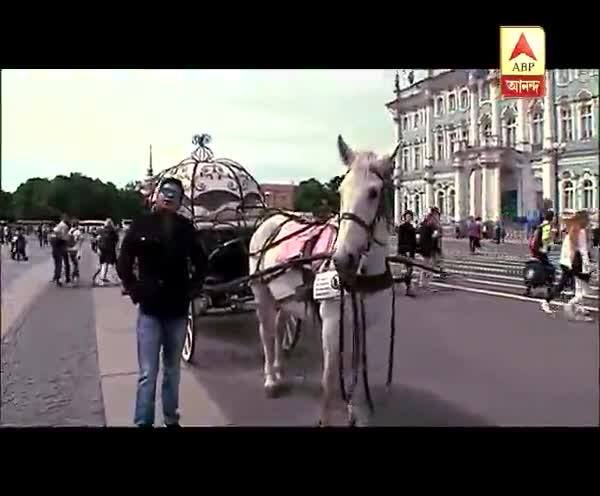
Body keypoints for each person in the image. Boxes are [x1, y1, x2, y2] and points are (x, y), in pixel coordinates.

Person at [117, 177, 208, 427]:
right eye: (165, 192)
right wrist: (134, 289)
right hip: (150, 310)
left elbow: (201, 263)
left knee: (172, 371)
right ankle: (143, 422)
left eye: (174, 194)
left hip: (177, 310)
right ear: (156, 196)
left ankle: (170, 419)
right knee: (148, 374)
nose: (168, 197)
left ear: (180, 201)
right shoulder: (141, 224)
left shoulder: (186, 228)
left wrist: (193, 289)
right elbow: (124, 260)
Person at [541, 211, 593, 321]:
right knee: (579, 287)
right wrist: (587, 266)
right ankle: (565, 305)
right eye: (587, 219)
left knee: (574, 286)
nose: (589, 222)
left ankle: (579, 307)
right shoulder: (581, 231)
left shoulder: (573, 230)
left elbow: (569, 249)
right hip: (573, 263)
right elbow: (583, 251)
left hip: (566, 262)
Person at [396, 210, 417, 297]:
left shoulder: (412, 227)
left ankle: (406, 286)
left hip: (411, 251)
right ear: (404, 218)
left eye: (410, 217)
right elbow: (401, 240)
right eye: (407, 216)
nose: (409, 218)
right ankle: (408, 288)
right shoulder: (402, 227)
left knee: (410, 270)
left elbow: (413, 241)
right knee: (409, 269)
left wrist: (415, 249)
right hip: (405, 251)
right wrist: (405, 250)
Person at [96, 219, 119, 286]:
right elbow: (116, 240)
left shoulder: (101, 231)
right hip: (110, 249)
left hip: (102, 248)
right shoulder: (113, 231)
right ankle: (110, 278)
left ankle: (103, 277)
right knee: (111, 264)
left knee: (104, 263)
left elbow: (98, 239)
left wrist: (97, 248)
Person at [51, 214, 71, 287]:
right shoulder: (64, 226)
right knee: (65, 263)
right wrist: (68, 240)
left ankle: (57, 277)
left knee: (57, 263)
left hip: (55, 246)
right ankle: (66, 279)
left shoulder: (57, 226)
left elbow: (54, 235)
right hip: (61, 245)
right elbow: (65, 237)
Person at [67, 220, 83, 284]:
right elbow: (81, 240)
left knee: (72, 262)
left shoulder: (69, 231)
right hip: (76, 249)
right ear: (77, 225)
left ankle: (74, 274)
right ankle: (74, 275)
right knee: (75, 263)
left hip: (69, 249)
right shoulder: (78, 232)